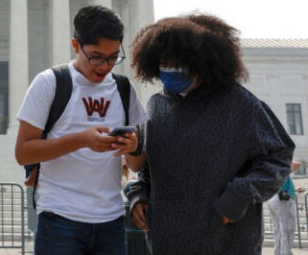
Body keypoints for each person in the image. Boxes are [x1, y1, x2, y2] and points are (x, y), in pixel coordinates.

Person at [126, 13, 295, 255]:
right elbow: (150, 165)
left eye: (180, 63)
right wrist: (139, 195)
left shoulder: (239, 103)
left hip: (227, 242)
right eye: (165, 61)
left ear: (203, 62)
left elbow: (279, 156)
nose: (171, 68)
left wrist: (242, 193)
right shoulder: (156, 106)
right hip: (167, 241)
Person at [14, 5, 148, 255]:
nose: (105, 66)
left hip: (111, 217)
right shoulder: (50, 83)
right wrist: (81, 140)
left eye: (112, 57)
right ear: (76, 46)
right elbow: (23, 152)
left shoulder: (123, 89)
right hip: (60, 217)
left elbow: (137, 164)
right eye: (96, 56)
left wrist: (132, 147)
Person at [266, 160, 305, 255]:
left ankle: (278, 252)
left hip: (273, 198)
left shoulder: (269, 166)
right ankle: (285, 253)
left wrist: (294, 191)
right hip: (282, 201)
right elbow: (297, 164)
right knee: (287, 229)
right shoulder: (279, 163)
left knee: (277, 230)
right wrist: (284, 157)